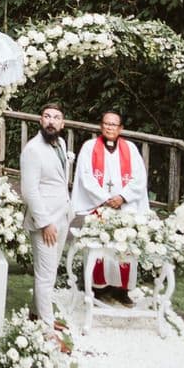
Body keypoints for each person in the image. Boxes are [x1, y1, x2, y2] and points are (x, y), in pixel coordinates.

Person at [71, 110, 149, 305]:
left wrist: (122, 197)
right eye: (106, 123)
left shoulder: (130, 149)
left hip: (125, 208)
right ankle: (98, 287)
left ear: (121, 128)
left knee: (124, 248)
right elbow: (85, 177)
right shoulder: (90, 147)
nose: (110, 127)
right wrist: (106, 198)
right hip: (99, 206)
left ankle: (121, 290)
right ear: (101, 126)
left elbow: (139, 178)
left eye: (114, 124)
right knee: (100, 246)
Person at [19, 103, 74, 350]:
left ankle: (35, 313)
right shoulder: (33, 150)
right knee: (44, 276)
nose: (51, 121)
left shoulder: (61, 144)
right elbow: (29, 190)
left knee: (49, 273)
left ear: (62, 124)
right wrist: (45, 223)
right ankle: (47, 329)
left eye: (56, 117)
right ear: (40, 121)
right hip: (46, 223)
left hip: (61, 217)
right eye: (47, 116)